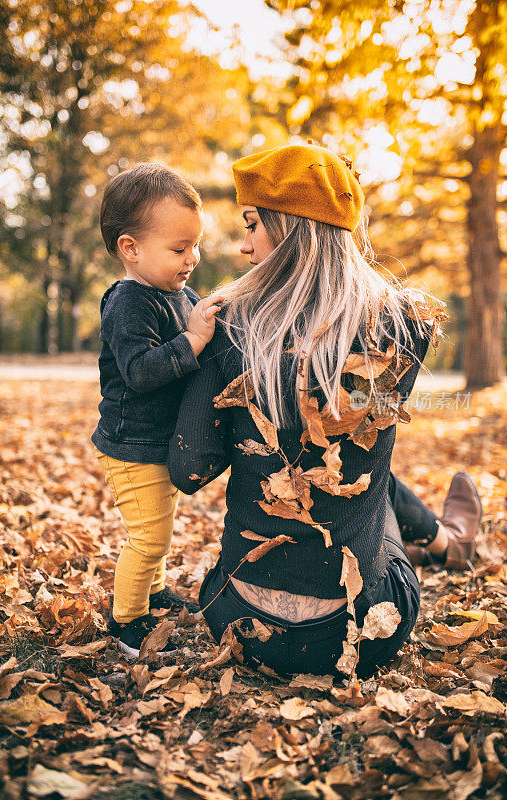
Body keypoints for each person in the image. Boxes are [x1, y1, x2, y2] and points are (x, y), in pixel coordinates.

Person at [167, 143, 482, 678]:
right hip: (360, 633)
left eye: (252, 225)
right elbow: (368, 415)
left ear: (289, 230)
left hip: (236, 623)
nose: (244, 247)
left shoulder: (226, 325)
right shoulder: (404, 324)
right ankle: (447, 541)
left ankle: (445, 540)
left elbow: (189, 472)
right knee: (362, 470)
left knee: (343, 466)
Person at [92, 162, 222, 658]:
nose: (192, 258)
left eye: (195, 245)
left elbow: (202, 328)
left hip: (157, 442)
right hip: (131, 444)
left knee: (160, 525)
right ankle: (127, 621)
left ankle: (154, 589)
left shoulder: (178, 294)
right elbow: (140, 372)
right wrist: (191, 339)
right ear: (131, 249)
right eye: (178, 248)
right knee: (147, 536)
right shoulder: (129, 303)